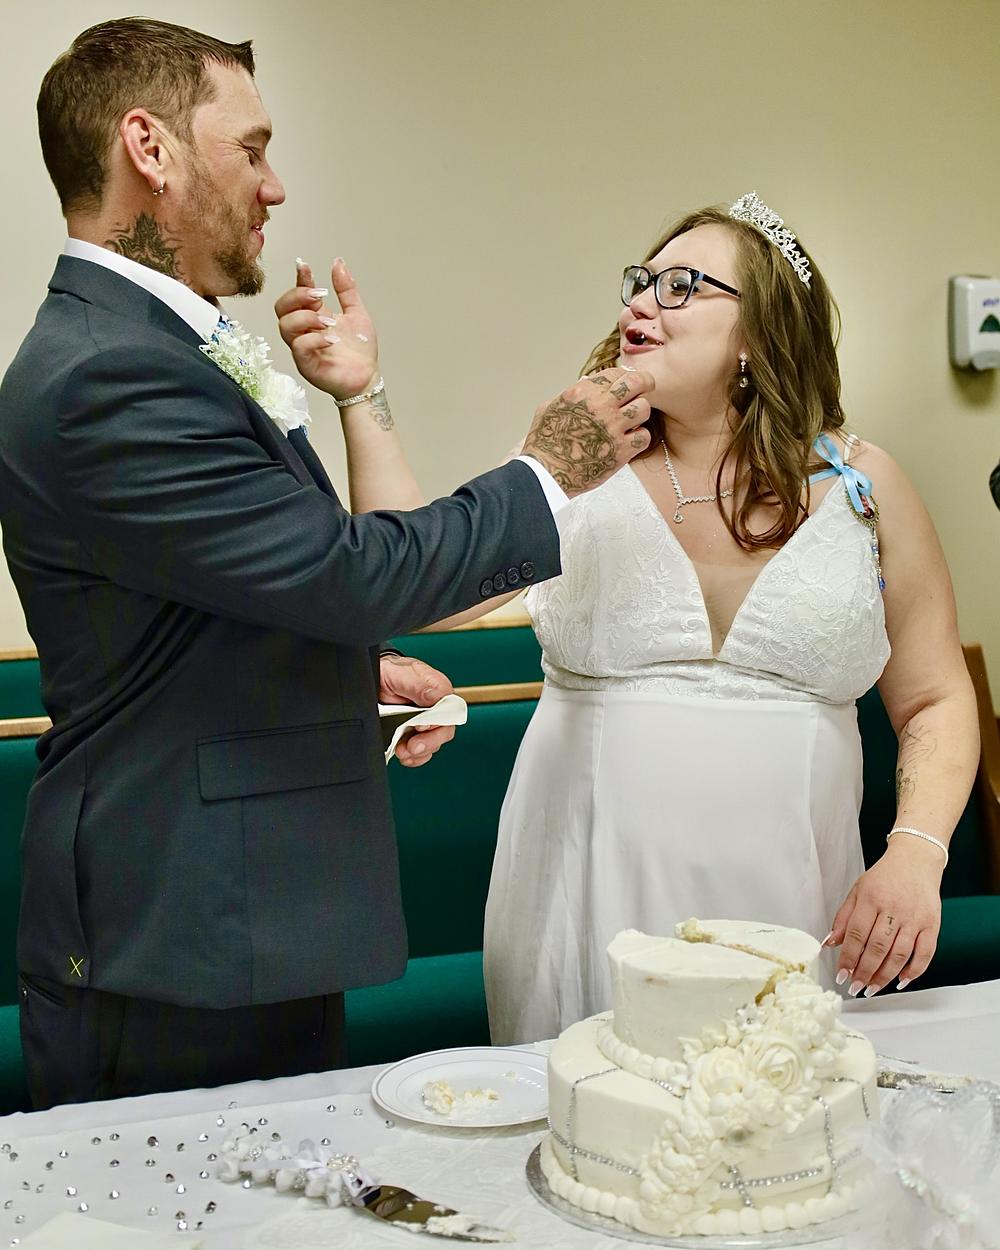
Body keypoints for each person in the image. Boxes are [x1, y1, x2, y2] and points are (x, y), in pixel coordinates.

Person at [0, 17, 652, 1108]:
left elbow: (214, 605)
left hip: (237, 923)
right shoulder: (110, 372)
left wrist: (349, 678)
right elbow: (350, 574)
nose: (275, 186)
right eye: (251, 149)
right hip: (180, 940)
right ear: (149, 148)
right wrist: (547, 470)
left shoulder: (150, 345)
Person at [286, 194, 979, 1046]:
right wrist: (363, 394)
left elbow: (936, 698)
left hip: (792, 892)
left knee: (774, 1106)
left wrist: (916, 851)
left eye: (681, 286)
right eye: (640, 283)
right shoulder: (578, 461)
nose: (639, 305)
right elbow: (422, 581)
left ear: (759, 331)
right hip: (584, 888)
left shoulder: (866, 488)